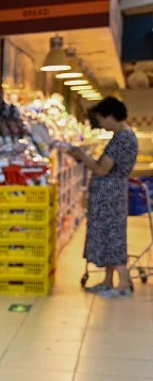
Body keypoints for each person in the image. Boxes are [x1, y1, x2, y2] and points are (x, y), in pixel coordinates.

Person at [70, 96, 139, 297]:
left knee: (113, 236)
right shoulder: (122, 137)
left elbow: (102, 170)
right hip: (110, 194)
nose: (100, 124)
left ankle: (123, 283)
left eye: (101, 119)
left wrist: (84, 157)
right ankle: (108, 281)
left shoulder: (123, 139)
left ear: (110, 116)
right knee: (108, 236)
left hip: (110, 195)